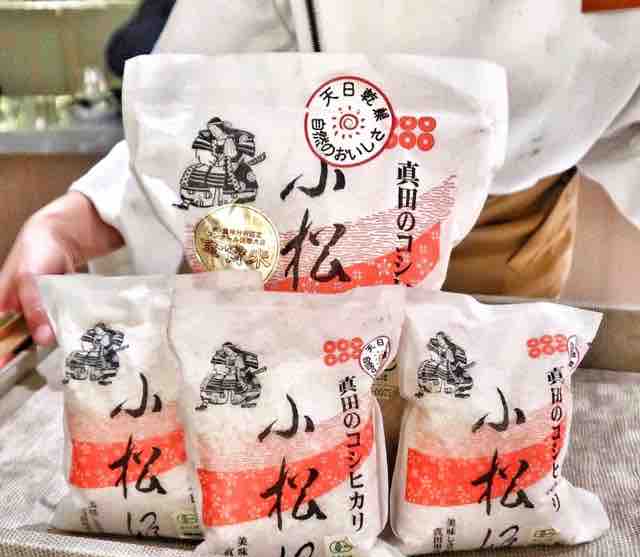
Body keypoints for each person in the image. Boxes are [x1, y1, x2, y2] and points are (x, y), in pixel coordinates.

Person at [2, 0, 640, 346]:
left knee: (474, 423)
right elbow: (202, 102)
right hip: (317, 212)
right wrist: (78, 219)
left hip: (515, 214)